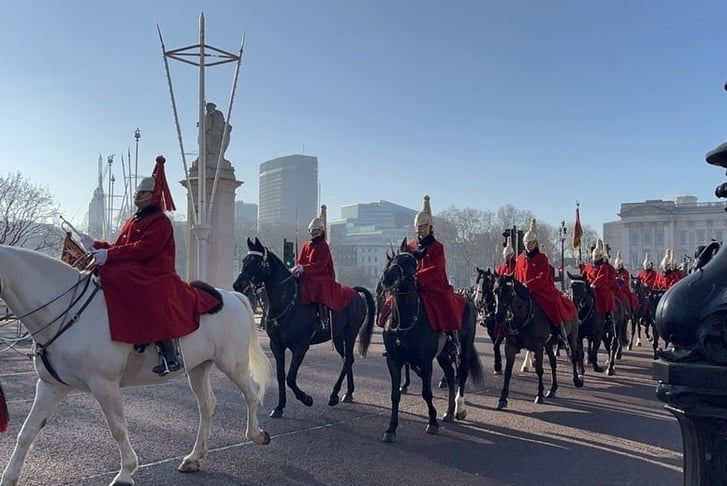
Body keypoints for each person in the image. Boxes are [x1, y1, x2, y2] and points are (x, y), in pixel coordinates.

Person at [81, 156, 220, 376]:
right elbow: (122, 247)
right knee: (105, 271)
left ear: (154, 195)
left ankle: (170, 354)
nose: (137, 196)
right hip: (138, 267)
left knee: (136, 285)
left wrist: (108, 254)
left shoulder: (160, 221)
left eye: (143, 193)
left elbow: (145, 248)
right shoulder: (133, 219)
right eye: (137, 193)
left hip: (155, 271)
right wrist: (96, 245)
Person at [407, 195, 465, 358]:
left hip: (434, 285)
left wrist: (417, 277)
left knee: (446, 304)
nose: (420, 230)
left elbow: (436, 268)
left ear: (429, 226)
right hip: (415, 285)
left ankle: (453, 340)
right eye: (418, 227)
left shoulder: (437, 247)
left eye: (423, 227)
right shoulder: (411, 247)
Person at [292, 204, 356, 331]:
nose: (313, 233)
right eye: (312, 231)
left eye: (316, 231)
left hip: (321, 275)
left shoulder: (323, 246)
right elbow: (300, 260)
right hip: (306, 274)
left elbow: (321, 265)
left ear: (321, 231)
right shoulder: (305, 245)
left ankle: (323, 319)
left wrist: (305, 268)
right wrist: (297, 268)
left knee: (319, 285)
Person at [514, 219, 577, 346]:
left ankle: (560, 331)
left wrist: (529, 285)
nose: (528, 246)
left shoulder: (542, 258)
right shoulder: (519, 259)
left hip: (540, 290)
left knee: (554, 303)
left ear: (535, 243)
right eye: (526, 243)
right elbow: (517, 275)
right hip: (523, 291)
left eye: (530, 243)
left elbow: (542, 277)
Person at [580, 239, 618, 326]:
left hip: (600, 288)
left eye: (597, 257)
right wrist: (581, 266)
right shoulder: (589, 266)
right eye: (594, 257)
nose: (595, 259)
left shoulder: (603, 267)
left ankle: (608, 317)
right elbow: (584, 274)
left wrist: (595, 283)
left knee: (607, 296)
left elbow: (601, 276)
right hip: (590, 287)